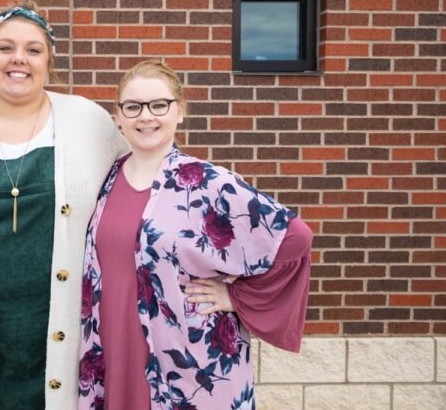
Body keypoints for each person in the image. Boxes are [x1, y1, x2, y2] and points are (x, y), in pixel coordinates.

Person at [0, 0, 129, 410]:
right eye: (5, 47)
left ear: (49, 61)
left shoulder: (89, 123)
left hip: (70, 329)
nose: (19, 59)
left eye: (33, 49)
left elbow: (136, 198)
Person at [78, 60, 313, 410]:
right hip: (114, 343)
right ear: (118, 116)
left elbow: (294, 237)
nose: (146, 117)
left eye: (159, 105)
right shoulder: (107, 178)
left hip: (187, 357)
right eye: (133, 107)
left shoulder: (206, 182)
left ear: (180, 111)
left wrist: (237, 297)